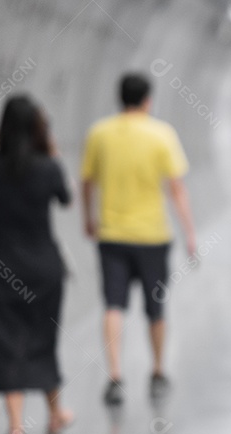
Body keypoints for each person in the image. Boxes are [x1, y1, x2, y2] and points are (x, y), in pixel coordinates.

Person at [81, 72, 196, 405]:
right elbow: (176, 188)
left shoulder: (99, 133)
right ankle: (158, 370)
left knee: (113, 305)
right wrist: (190, 232)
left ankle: (115, 376)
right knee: (155, 307)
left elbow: (87, 182)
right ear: (148, 100)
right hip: (152, 237)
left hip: (112, 235)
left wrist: (89, 219)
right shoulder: (161, 135)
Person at [0, 94, 75, 434]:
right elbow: (66, 199)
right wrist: (49, 150)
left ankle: (16, 428)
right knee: (43, 338)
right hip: (43, 267)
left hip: (1, 264)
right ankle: (55, 414)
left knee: (5, 342)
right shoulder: (48, 167)